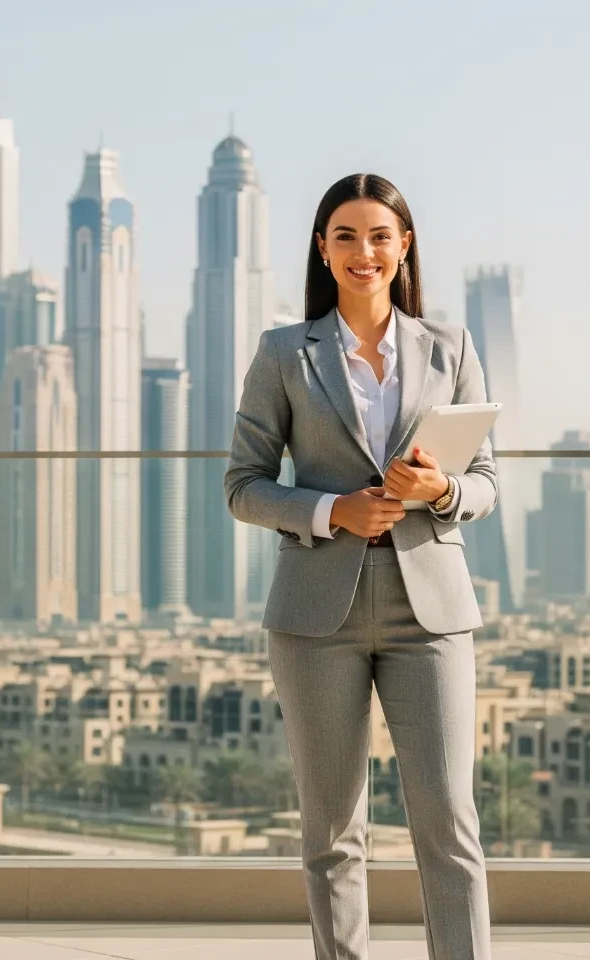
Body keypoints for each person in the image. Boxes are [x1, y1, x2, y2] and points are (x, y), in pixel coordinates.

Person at [225, 173, 497, 960]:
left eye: (380, 235)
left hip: (432, 612)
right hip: (317, 614)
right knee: (332, 831)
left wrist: (441, 489)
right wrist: (329, 511)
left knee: (448, 824)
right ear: (322, 248)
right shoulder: (284, 354)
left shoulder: (453, 349)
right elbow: (241, 486)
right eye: (345, 236)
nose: (363, 251)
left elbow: (486, 486)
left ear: (404, 245)